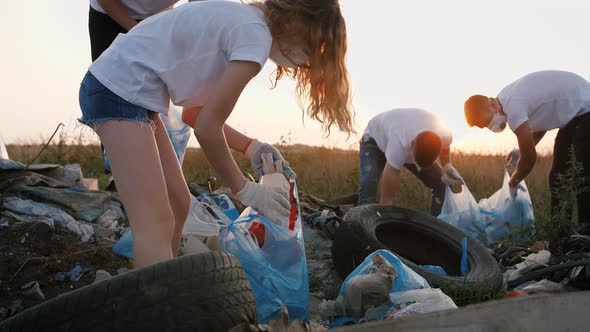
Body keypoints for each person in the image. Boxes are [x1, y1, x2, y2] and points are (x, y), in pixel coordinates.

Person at [78, 0, 352, 268]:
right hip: (117, 91)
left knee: (178, 204)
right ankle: (157, 306)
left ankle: (162, 278)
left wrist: (252, 147)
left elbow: (194, 115)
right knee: (155, 223)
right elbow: (208, 130)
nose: (302, 62)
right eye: (309, 52)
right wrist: (246, 190)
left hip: (132, 93)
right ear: (296, 24)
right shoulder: (254, 39)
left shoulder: (244, 22)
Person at [464, 70, 590, 228]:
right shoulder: (505, 99)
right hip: (573, 117)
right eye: (486, 126)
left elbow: (529, 159)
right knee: (559, 177)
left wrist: (513, 182)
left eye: (488, 121)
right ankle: (561, 233)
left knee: (582, 176)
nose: (491, 126)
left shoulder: (513, 107)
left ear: (492, 105)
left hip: (585, 109)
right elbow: (542, 121)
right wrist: (520, 151)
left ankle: (585, 238)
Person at [88, 0, 184, 191]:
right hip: (109, 15)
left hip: (159, 18)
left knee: (157, 99)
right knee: (116, 93)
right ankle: (120, 177)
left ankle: (164, 179)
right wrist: (138, 31)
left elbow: (201, 11)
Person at [358, 108, 464, 216]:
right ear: (412, 145)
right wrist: (386, 212)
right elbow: (388, 188)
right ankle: (362, 223)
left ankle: (437, 222)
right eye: (417, 163)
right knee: (368, 185)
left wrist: (447, 166)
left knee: (441, 182)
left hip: (404, 137)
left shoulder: (444, 133)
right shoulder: (400, 140)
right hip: (373, 139)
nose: (418, 169)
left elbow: (445, 149)